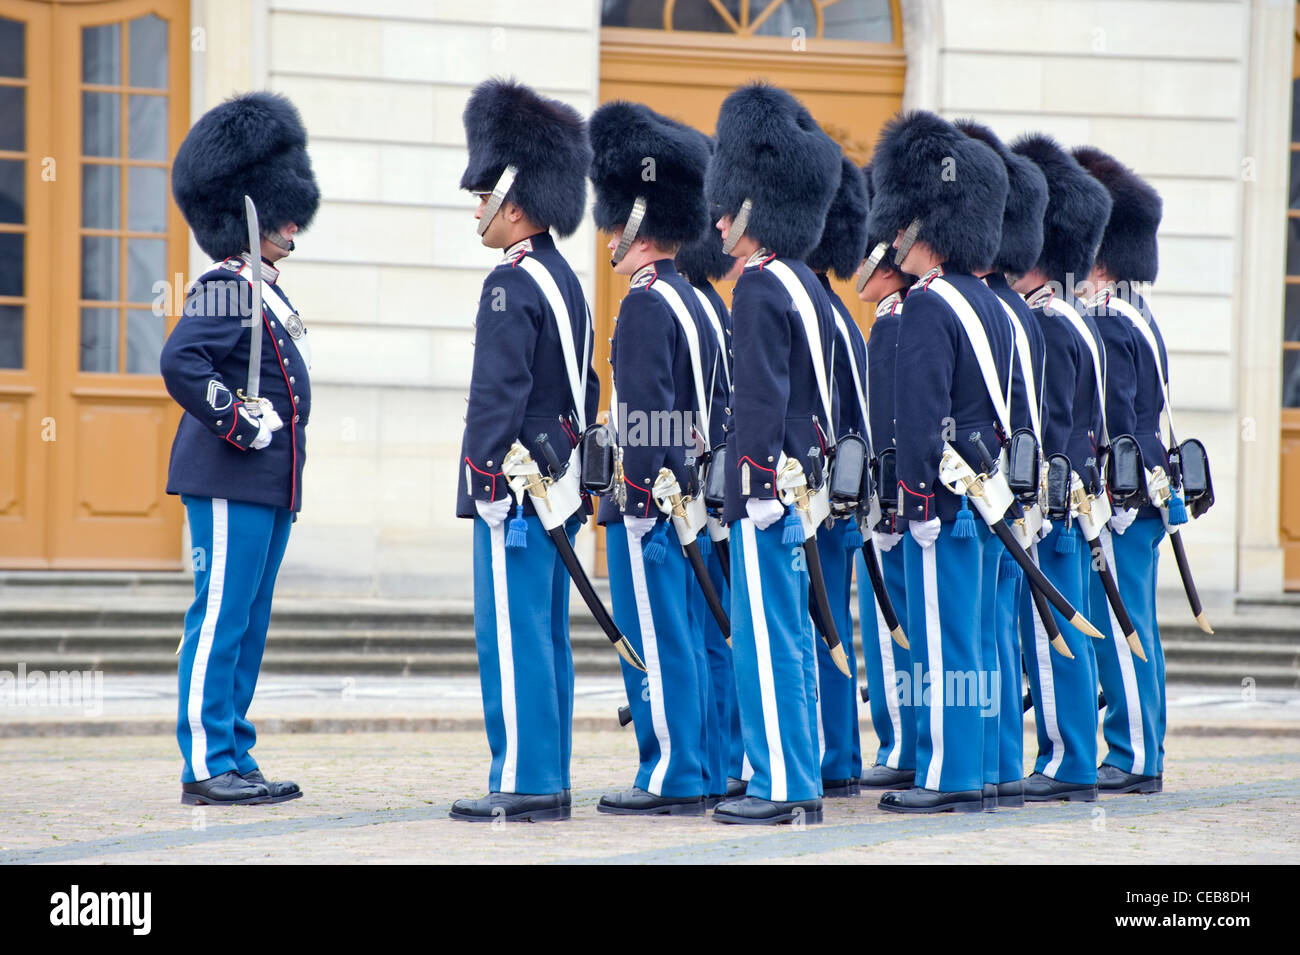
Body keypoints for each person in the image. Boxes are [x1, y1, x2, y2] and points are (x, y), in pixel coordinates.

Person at [163, 91, 320, 806]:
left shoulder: (260, 290)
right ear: (247, 213)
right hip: (230, 476)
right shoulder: (227, 288)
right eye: (281, 213)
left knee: (247, 624)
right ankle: (205, 761)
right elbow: (181, 363)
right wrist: (239, 421)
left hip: (265, 485)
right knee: (221, 614)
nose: (292, 225)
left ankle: (234, 749)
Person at [449, 78, 597, 823]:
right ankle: (548, 769)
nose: (477, 209)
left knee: (511, 635)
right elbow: (584, 389)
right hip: (558, 486)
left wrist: (481, 477)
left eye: (484, 196)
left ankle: (523, 777)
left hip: (514, 490)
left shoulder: (508, 284)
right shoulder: (565, 280)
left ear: (514, 198)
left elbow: (495, 397)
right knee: (545, 635)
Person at [866, 110, 1012, 814]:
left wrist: (913, 499)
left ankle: (948, 775)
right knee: (974, 638)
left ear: (923, 226)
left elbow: (921, 418)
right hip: (982, 500)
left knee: (941, 643)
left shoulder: (928, 305)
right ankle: (977, 764)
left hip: (942, 502)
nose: (893, 238)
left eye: (901, 224)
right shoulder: (986, 300)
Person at [706, 82, 843, 825]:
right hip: (801, 488)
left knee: (768, 639)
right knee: (789, 636)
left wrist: (752, 486)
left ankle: (783, 782)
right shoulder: (808, 286)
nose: (718, 218)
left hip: (769, 492)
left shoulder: (760, 287)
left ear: (756, 204)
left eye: (729, 204)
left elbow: (758, 402)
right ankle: (796, 775)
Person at [588, 101, 718, 815]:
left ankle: (671, 771)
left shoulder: (645, 303)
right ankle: (694, 762)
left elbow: (646, 413)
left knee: (658, 641)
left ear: (637, 224)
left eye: (617, 220)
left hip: (652, 500)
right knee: (689, 636)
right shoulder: (692, 301)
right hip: (690, 492)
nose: (609, 233)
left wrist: (636, 499)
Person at [1009, 133, 1114, 801]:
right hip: (1079, 498)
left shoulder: (1047, 323)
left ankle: (1067, 757)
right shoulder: (1076, 319)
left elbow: (1048, 429)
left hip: (1053, 502)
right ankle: (1075, 752)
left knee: (1053, 635)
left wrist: (1036, 506)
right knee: (1069, 624)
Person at [956, 119, 1049, 808]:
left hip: (990, 487)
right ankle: (1001, 762)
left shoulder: (981, 308)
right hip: (1010, 486)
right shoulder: (1010, 309)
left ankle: (986, 764)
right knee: (993, 634)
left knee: (980, 633)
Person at [1072, 145, 1168, 795]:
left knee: (1120, 623)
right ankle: (1141, 744)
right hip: (1141, 489)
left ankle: (1133, 754)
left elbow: (1120, 419)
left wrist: (1114, 493)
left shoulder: (1107, 318)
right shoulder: (1135, 312)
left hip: (1122, 494)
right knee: (1133, 620)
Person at [674, 138, 747, 804]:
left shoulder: (674, 303)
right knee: (716, 633)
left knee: (700, 634)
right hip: (717, 485)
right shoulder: (713, 307)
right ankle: (724, 755)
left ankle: (701, 760)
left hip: (690, 491)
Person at [804, 156, 871, 798]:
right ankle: (840, 754)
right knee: (829, 628)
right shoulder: (840, 314)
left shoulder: (809, 310)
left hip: (812, 499)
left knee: (813, 626)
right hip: (838, 496)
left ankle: (828, 755)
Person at [854, 165, 917, 790]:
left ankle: (904, 743)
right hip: (894, 491)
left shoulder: (898, 320)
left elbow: (893, 419)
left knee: (894, 625)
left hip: (894, 497)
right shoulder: (892, 317)